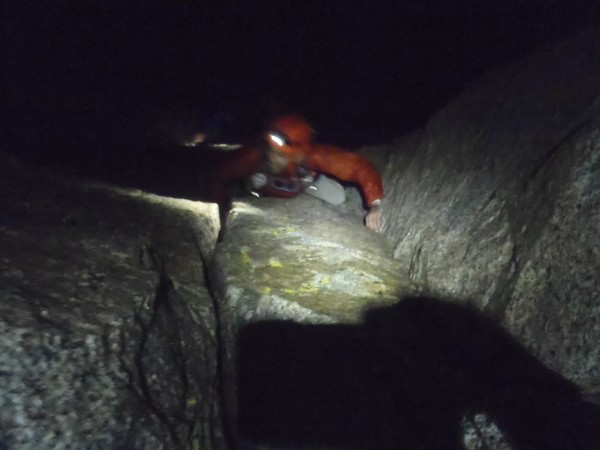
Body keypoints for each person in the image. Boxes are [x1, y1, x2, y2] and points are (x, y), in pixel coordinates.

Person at [206, 114, 384, 231]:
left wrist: (375, 204)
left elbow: (360, 167)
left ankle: (311, 181)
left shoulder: (312, 156)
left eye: (280, 154)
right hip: (265, 186)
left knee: (338, 197)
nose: (272, 157)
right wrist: (223, 206)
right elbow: (217, 175)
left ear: (298, 153)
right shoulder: (254, 157)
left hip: (301, 183)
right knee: (253, 183)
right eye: (271, 150)